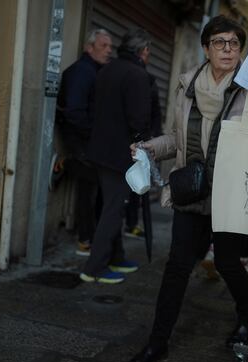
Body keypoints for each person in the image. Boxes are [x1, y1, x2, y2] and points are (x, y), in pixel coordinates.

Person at [126, 15, 248, 362]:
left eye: (233, 43)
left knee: (228, 264)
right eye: (220, 42)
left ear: (240, 49)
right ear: (206, 48)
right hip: (191, 190)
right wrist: (151, 148)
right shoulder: (187, 87)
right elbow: (176, 137)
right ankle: (157, 342)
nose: (227, 49)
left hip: (228, 195)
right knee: (177, 268)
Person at [79, 29, 154, 284]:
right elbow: (139, 119)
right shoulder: (138, 75)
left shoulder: (107, 69)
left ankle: (116, 257)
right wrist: (145, 146)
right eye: (149, 51)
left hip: (99, 150)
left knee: (111, 205)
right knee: (113, 209)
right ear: (142, 52)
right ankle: (94, 268)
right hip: (121, 153)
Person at [56, 29, 112, 256]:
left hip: (88, 139)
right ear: (89, 48)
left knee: (93, 185)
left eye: (110, 46)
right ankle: (84, 238)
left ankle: (66, 164)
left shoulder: (94, 71)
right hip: (80, 139)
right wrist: (93, 135)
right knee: (89, 186)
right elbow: (74, 112)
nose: (109, 50)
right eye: (104, 46)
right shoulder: (82, 72)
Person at [123, 73, 164, 240]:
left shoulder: (146, 81)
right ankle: (130, 224)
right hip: (137, 143)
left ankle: (131, 223)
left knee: (136, 189)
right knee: (131, 189)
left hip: (141, 143)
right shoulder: (144, 81)